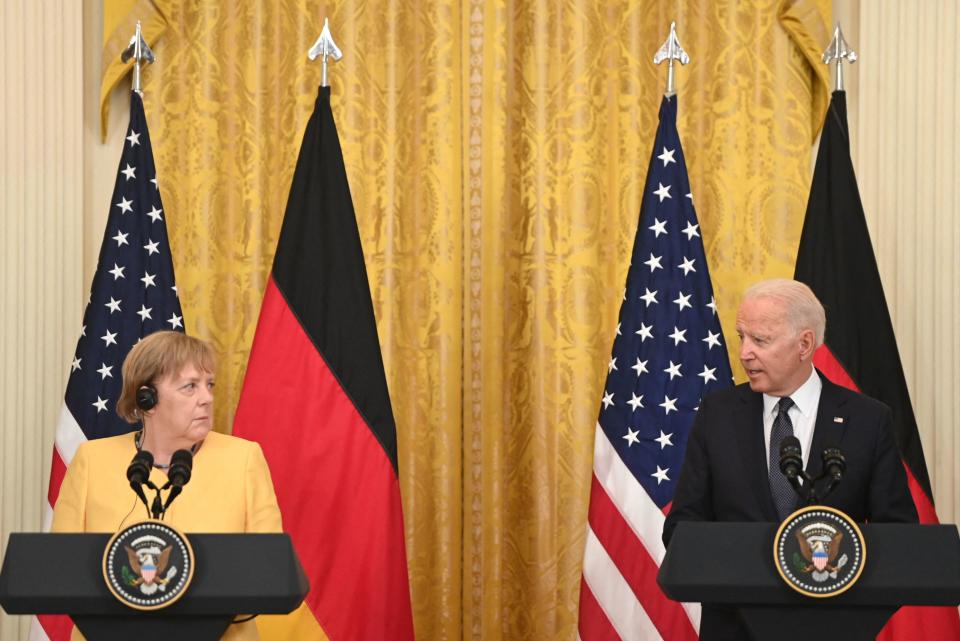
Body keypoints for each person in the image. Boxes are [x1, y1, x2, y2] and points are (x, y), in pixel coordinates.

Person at [662, 279, 917, 640]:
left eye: (760, 340)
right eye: (741, 337)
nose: (744, 353)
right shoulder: (717, 415)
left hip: (834, 628)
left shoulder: (868, 421)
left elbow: (899, 537)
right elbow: (681, 528)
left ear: (805, 344)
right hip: (734, 628)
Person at [52, 331, 282, 641]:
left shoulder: (243, 459)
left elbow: (268, 569)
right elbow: (63, 568)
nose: (207, 397)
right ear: (147, 399)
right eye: (190, 387)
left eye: (209, 385)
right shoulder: (92, 461)